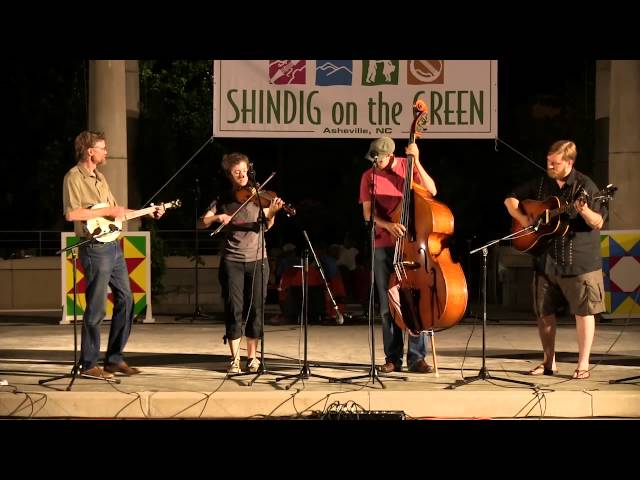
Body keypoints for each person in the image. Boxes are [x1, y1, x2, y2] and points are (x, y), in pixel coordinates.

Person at [62, 130, 165, 379]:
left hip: (113, 246)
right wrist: (109, 210)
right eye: (102, 148)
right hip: (94, 247)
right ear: (90, 151)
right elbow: (72, 214)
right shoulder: (74, 177)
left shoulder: (101, 178)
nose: (106, 152)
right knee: (96, 308)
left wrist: (147, 212)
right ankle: (88, 364)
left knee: (127, 300)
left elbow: (116, 212)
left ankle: (114, 359)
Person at [504, 140, 607, 380]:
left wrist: (583, 210)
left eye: (555, 162)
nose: (549, 165)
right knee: (544, 313)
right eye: (548, 161)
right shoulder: (542, 183)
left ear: (569, 163)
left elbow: (598, 222)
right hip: (546, 260)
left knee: (584, 312)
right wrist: (523, 217)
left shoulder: (586, 186)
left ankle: (582, 364)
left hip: (579, 261)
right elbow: (510, 198)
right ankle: (548, 362)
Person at [197, 153, 284, 373]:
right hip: (232, 260)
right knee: (233, 308)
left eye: (245, 170)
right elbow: (202, 222)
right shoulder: (223, 198)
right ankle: (234, 359)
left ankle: (252, 358)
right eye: (237, 172)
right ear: (229, 175)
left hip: (258, 259)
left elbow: (265, 226)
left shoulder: (257, 195)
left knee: (256, 308)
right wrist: (218, 218)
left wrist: (272, 213)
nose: (242, 175)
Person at [358, 136, 438, 374]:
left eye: (379, 158)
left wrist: (418, 161)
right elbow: (367, 215)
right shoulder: (368, 176)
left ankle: (417, 358)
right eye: (372, 158)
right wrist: (388, 225)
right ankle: (392, 358)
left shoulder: (408, 166)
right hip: (383, 244)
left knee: (416, 300)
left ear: (390, 155)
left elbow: (431, 191)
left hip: (412, 244)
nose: (375, 162)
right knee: (387, 305)